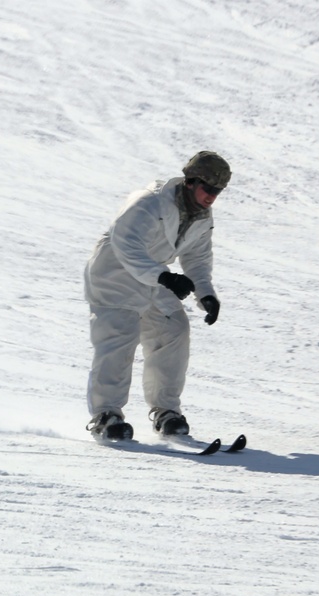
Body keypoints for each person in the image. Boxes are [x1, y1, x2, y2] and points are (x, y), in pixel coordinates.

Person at [84, 151, 231, 440]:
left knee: (173, 329)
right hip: (115, 275)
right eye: (208, 188)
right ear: (191, 182)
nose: (212, 197)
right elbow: (126, 245)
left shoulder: (201, 215)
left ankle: (167, 412)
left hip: (153, 278)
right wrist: (164, 277)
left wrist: (206, 294)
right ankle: (106, 415)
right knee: (119, 338)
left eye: (218, 191)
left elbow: (198, 258)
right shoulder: (148, 202)